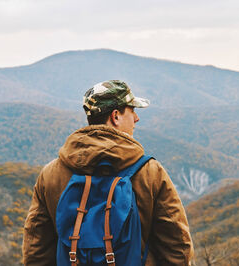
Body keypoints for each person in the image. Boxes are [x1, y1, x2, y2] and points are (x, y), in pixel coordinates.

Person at [22, 80, 194, 265]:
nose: (136, 118)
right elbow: (177, 247)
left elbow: (36, 251)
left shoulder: (50, 175)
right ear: (116, 116)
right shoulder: (150, 172)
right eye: (132, 110)